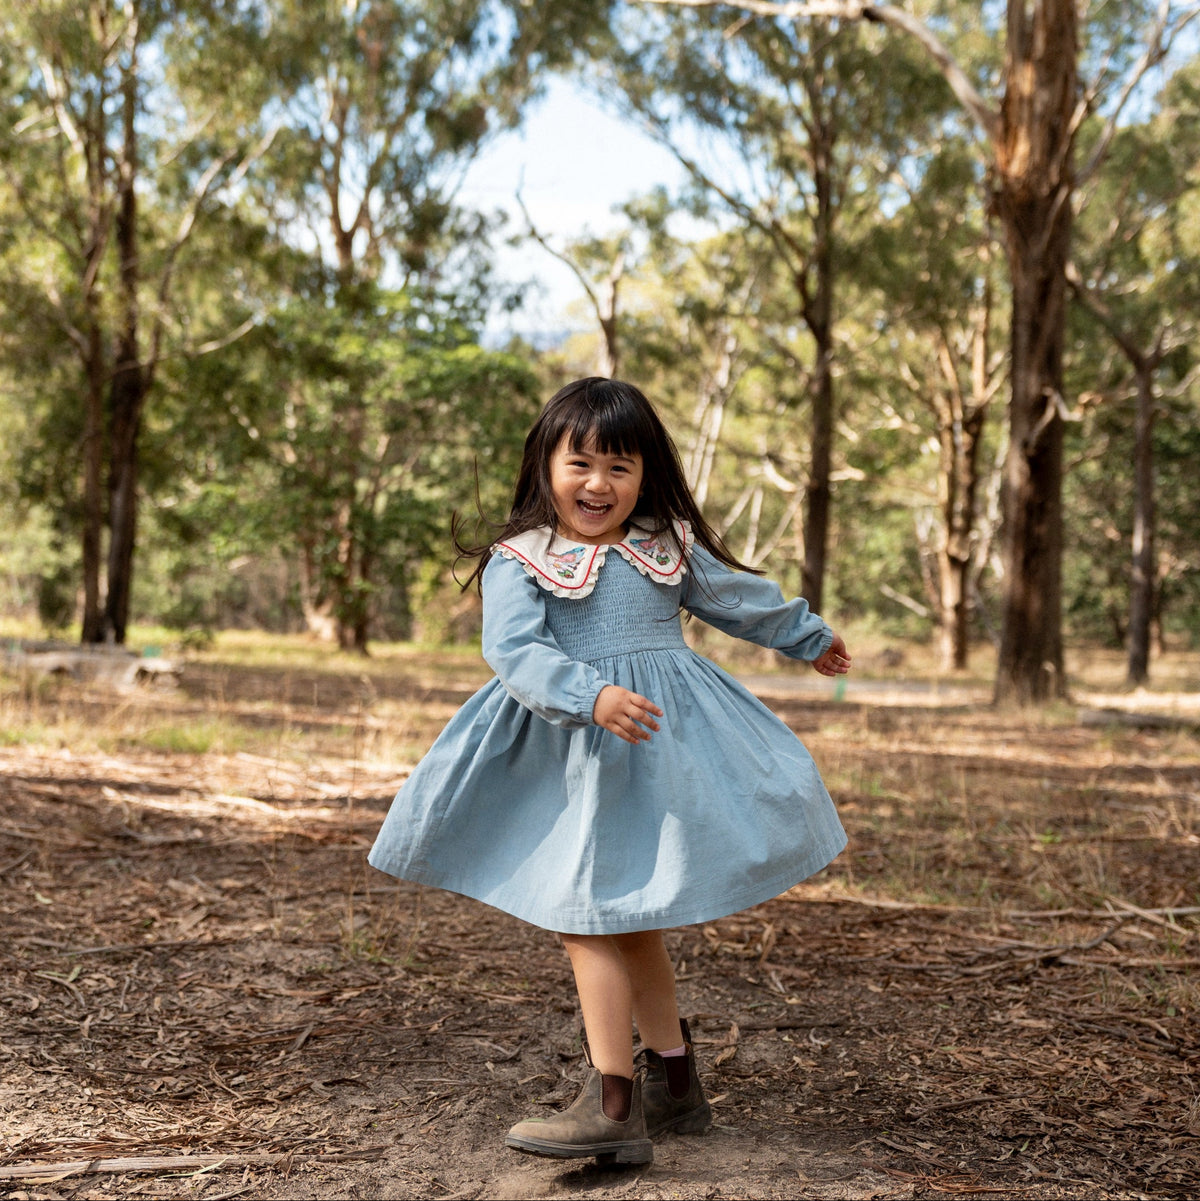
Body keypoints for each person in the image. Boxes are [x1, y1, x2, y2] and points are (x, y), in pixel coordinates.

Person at [368, 377, 850, 1166]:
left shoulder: (665, 543)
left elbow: (736, 596)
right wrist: (589, 694)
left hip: (654, 750)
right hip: (570, 749)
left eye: (620, 467)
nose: (599, 484)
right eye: (581, 463)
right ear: (545, 466)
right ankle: (671, 1081)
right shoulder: (520, 560)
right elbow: (515, 651)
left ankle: (619, 1101)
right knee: (594, 915)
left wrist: (804, 635)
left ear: (646, 473)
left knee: (612, 917)